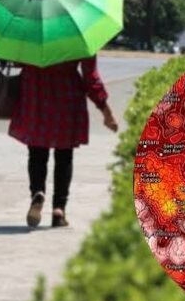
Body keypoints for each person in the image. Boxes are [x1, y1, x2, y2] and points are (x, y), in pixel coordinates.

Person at [9, 56, 118, 228]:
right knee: (64, 154)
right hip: (67, 95)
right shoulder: (79, 41)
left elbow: (18, 60)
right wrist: (106, 111)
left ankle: (37, 192)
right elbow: (90, 77)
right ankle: (59, 210)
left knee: (36, 152)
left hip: (35, 94)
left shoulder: (31, 38)